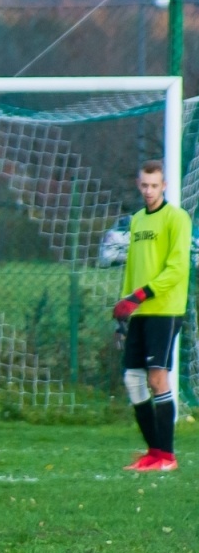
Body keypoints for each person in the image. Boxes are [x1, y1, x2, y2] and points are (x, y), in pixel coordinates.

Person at [114, 159, 191, 473]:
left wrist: (141, 294)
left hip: (165, 308)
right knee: (132, 379)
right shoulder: (137, 221)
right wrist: (125, 306)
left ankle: (167, 457)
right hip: (140, 310)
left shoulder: (177, 218)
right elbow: (133, 268)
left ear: (164, 186)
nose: (148, 191)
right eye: (144, 185)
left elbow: (176, 269)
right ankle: (153, 451)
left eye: (154, 185)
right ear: (138, 184)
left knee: (157, 377)